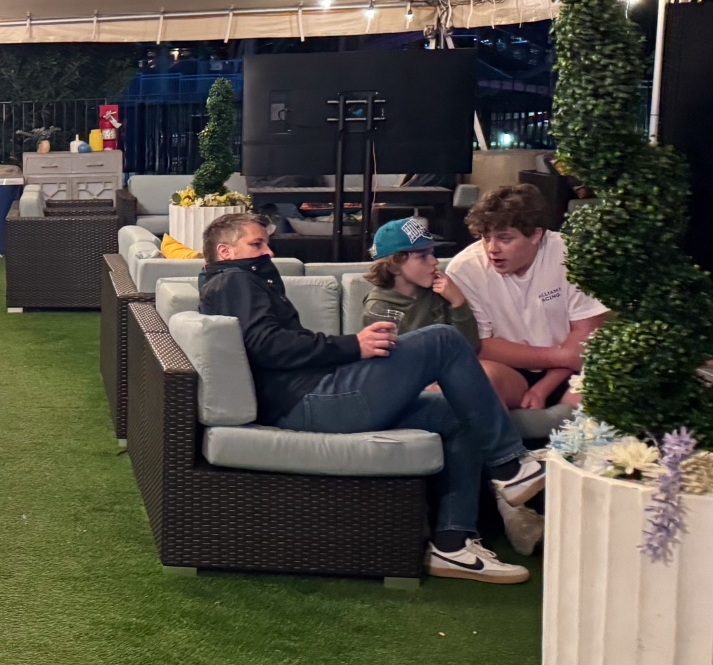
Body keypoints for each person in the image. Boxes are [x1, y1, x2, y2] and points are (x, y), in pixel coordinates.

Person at [197, 210, 541, 582]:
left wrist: (349, 352)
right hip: (308, 402)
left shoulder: (239, 281)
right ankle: (509, 465)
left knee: (454, 414)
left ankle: (453, 543)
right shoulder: (234, 280)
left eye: (267, 243)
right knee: (443, 340)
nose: (268, 251)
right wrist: (352, 346)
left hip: (310, 395)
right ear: (225, 252)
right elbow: (268, 346)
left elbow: (275, 344)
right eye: (257, 244)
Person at [446, 184, 605, 411]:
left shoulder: (571, 254)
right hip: (508, 367)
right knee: (480, 381)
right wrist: (561, 356)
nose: (492, 249)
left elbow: (585, 335)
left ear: (536, 235)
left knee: (596, 396)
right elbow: (479, 345)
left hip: (568, 369)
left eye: (505, 239)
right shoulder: (464, 269)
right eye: (485, 238)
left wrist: (542, 388)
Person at [360, 217, 479, 347]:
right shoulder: (380, 308)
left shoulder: (439, 290)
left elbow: (470, 347)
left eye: (432, 254)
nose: (434, 261)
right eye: (422, 256)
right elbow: (389, 357)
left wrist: (458, 301)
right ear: (393, 266)